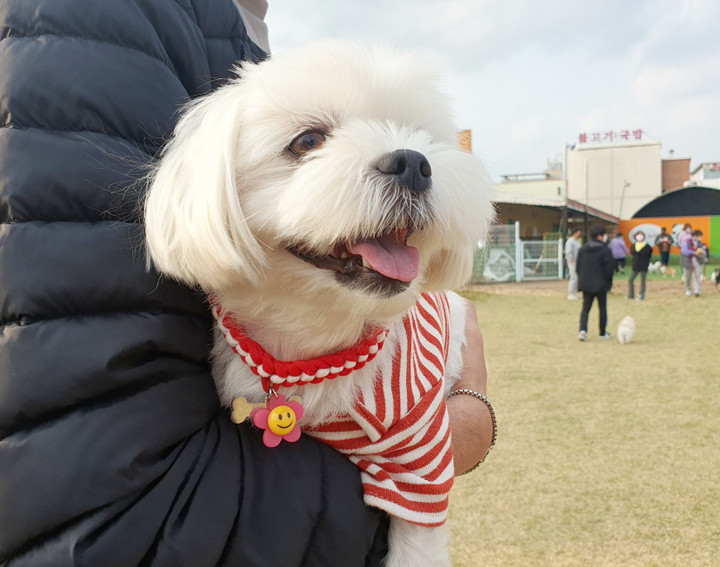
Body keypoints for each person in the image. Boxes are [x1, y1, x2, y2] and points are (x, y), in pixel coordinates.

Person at [0, 2, 495, 565]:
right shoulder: (99, 27)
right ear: (218, 187)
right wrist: (469, 420)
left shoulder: (398, 392)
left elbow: (420, 507)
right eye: (308, 142)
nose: (406, 162)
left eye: (416, 137)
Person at [576, 225, 615, 341]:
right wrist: (609, 283)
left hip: (586, 283)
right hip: (601, 284)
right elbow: (609, 269)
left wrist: (582, 279)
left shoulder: (582, 249)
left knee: (585, 308)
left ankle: (583, 331)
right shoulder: (605, 250)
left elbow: (578, 267)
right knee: (602, 308)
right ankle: (602, 333)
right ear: (599, 236)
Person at [627, 231, 653, 300]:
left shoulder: (647, 246)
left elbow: (649, 255)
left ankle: (641, 295)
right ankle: (631, 295)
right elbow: (633, 253)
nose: (639, 237)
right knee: (630, 280)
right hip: (635, 265)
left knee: (643, 280)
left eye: (641, 235)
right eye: (638, 235)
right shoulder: (633, 245)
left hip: (643, 265)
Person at [680, 229, 703, 297]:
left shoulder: (699, 243)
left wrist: (703, 252)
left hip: (697, 260)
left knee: (697, 275)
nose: (700, 237)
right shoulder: (687, 242)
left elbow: (702, 249)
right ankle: (688, 290)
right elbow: (684, 251)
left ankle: (697, 290)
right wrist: (694, 252)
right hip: (687, 261)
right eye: (699, 236)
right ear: (695, 236)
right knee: (687, 276)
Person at [565, 229, 583, 300]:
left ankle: (574, 293)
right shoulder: (570, 241)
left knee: (577, 277)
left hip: (577, 261)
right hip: (572, 262)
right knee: (573, 277)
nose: (579, 235)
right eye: (578, 233)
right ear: (575, 233)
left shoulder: (576, 241)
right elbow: (568, 252)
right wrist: (572, 261)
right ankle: (571, 293)